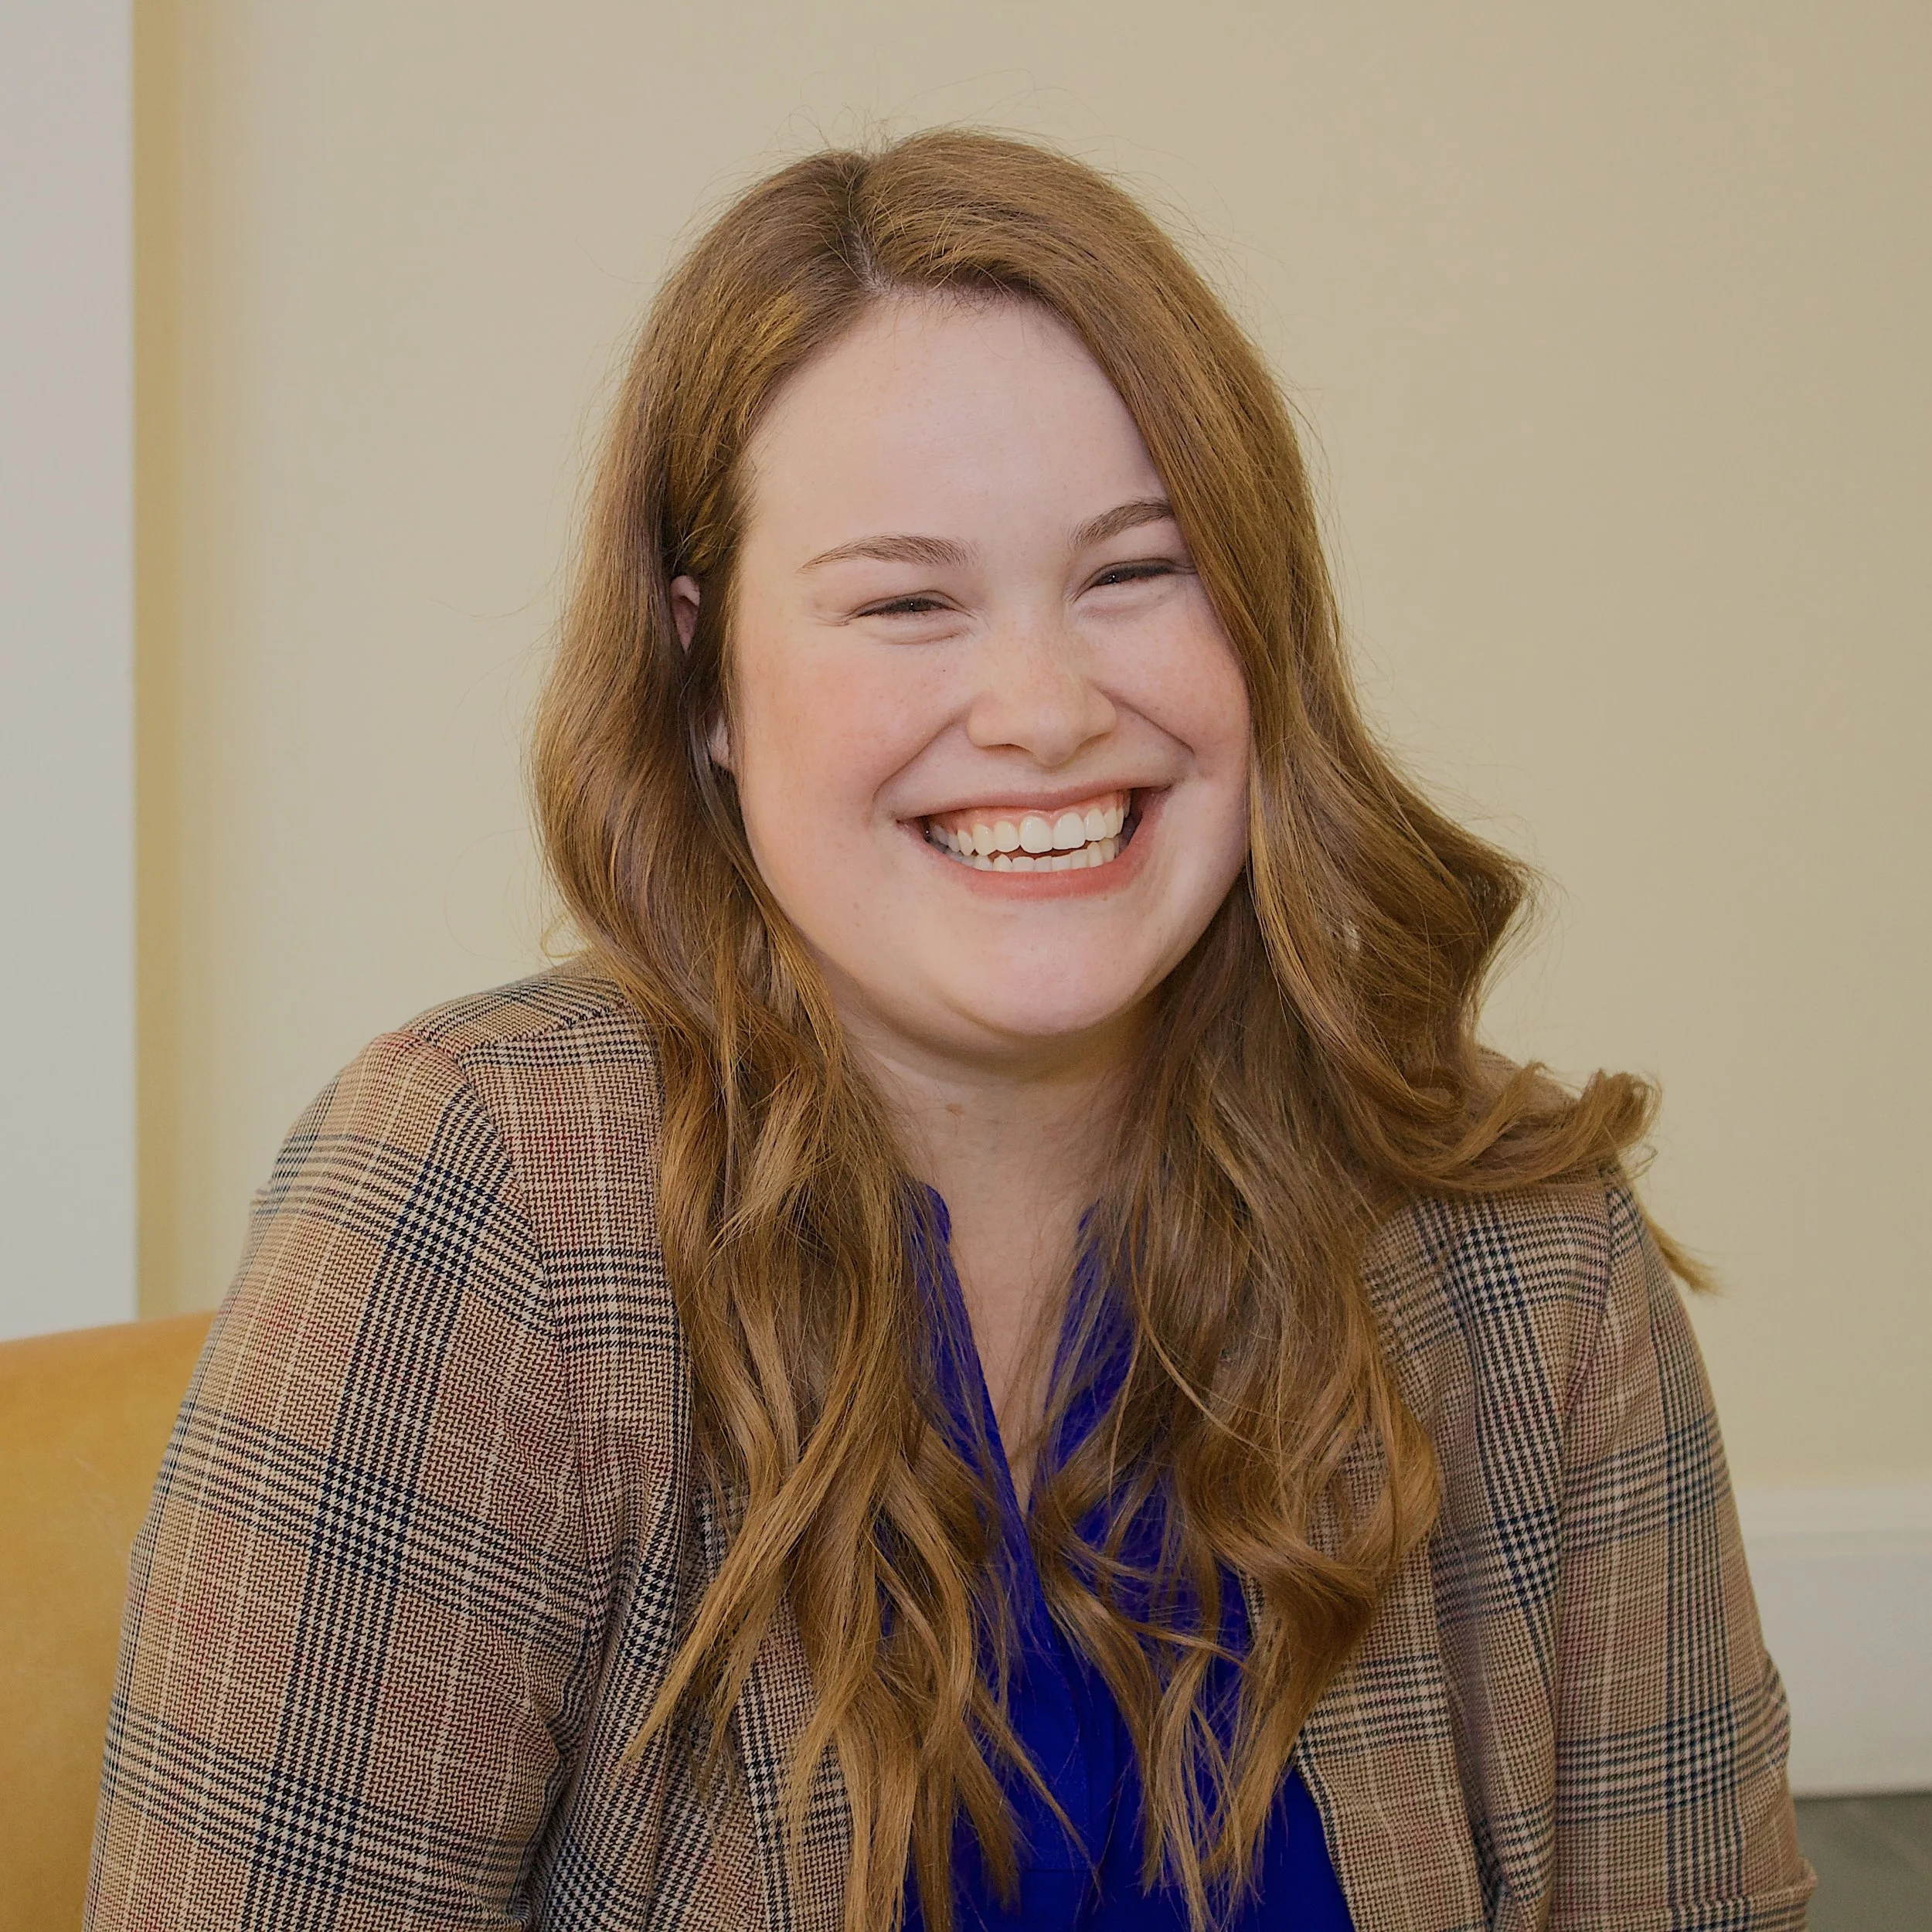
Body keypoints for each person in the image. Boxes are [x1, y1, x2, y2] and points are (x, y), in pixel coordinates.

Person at [87, 131, 1811, 1932]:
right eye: (906, 600)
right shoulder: (477, 1199)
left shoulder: (1523, 1247)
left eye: (1136, 570)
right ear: (705, 679)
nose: (1044, 709)